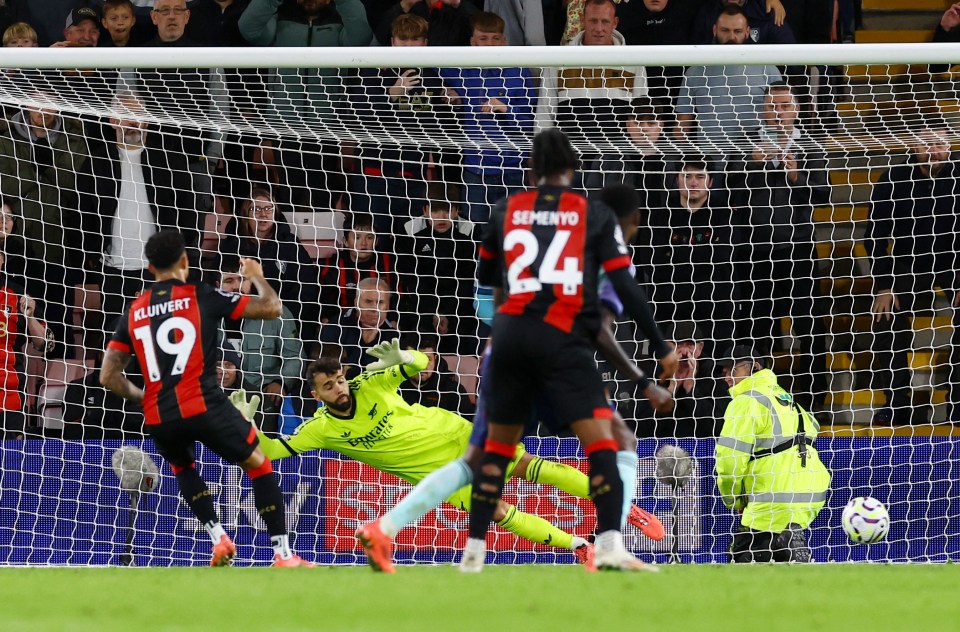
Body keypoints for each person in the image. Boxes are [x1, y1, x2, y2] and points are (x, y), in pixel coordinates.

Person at [455, 129, 678, 571]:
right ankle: (612, 544)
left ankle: (474, 552)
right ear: (572, 169)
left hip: (511, 336)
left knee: (497, 449)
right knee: (606, 441)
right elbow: (623, 284)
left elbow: (490, 284)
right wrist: (659, 344)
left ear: (532, 170)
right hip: (561, 337)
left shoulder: (502, 211)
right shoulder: (591, 213)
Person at [245, 350, 627, 567]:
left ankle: (621, 505)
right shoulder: (320, 428)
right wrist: (246, 427)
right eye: (328, 387)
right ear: (317, 395)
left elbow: (420, 365)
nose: (339, 388)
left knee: (528, 467)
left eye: (340, 379)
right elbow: (276, 450)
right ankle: (581, 546)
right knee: (493, 511)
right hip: (436, 471)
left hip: (454, 434)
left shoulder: (371, 382)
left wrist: (403, 356)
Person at [99, 230, 312, 567]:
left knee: (184, 467)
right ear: (185, 261)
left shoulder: (135, 310)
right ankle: (283, 555)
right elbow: (272, 308)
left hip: (159, 414)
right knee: (259, 464)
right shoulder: (200, 294)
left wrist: (145, 398)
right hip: (203, 402)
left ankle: (219, 540)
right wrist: (256, 276)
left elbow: (107, 376)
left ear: (150, 266)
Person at [727, 82, 830, 412]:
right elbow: (728, 196)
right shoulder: (744, 144)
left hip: (799, 251)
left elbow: (824, 197)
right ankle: (760, 406)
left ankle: (814, 405)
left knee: (809, 329)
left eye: (785, 104)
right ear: (763, 109)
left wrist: (797, 176)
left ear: (796, 109)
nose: (778, 110)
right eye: (772, 105)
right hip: (754, 252)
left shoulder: (810, 145)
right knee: (757, 332)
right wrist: (754, 165)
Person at [77, 93, 198, 330]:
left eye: (137, 116)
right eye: (125, 116)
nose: (132, 122)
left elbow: (188, 211)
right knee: (116, 340)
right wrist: (93, 255)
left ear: (148, 120)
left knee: (163, 339)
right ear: (112, 121)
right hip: (114, 270)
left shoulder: (170, 161)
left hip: (159, 269)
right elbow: (82, 213)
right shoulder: (96, 162)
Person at [866, 126, 960, 424]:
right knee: (884, 315)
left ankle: (956, 402)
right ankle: (898, 403)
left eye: (939, 143)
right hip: (907, 263)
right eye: (926, 144)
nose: (933, 149)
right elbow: (874, 238)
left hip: (953, 262)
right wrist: (884, 285)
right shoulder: (893, 179)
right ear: (913, 147)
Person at [715, 345, 830, 563]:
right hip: (808, 499)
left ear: (755, 367)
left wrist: (734, 499)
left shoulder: (747, 401)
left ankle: (784, 542)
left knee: (741, 572)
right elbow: (813, 429)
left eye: (733, 369)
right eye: (723, 370)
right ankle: (788, 539)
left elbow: (729, 460)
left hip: (770, 499)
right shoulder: (790, 401)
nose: (726, 376)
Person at [439, 12, 536, 224]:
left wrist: (505, 108)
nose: (489, 45)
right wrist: (445, 89)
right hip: (475, 171)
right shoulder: (461, 70)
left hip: (513, 172)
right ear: (473, 42)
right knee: (474, 237)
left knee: (513, 236)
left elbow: (530, 122)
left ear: (504, 41)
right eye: (483, 39)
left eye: (495, 38)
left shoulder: (518, 73)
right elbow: (429, 64)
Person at [635, 156, 740, 349]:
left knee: (715, 371)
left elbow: (723, 259)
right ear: (677, 180)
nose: (693, 182)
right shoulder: (659, 216)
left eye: (700, 176)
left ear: (710, 181)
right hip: (669, 307)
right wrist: (703, 255)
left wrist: (675, 255)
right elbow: (652, 262)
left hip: (715, 308)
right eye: (687, 176)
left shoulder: (726, 215)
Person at [536, 0, 648, 155]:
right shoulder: (559, 59)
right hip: (569, 158)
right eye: (593, 21)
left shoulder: (634, 62)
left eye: (605, 21)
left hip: (618, 159)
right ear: (582, 21)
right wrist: (540, 156)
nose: (599, 28)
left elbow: (641, 115)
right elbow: (545, 113)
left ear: (615, 23)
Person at [674, 5, 781, 155]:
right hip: (708, 166)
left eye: (737, 31)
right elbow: (681, 129)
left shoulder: (768, 69)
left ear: (747, 32)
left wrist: (772, 155)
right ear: (714, 30)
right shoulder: (695, 72)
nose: (731, 37)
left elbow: (781, 121)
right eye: (725, 30)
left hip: (753, 164)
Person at [217, 256, 303, 435]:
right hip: (216, 392)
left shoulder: (275, 312)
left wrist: (281, 383)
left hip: (263, 393)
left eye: (243, 280)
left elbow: (295, 356)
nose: (236, 286)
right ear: (218, 284)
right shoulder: (203, 315)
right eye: (229, 281)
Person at [221, 186, 318, 331]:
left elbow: (308, 283)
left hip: (285, 319)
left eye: (268, 209)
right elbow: (218, 284)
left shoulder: (289, 244)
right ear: (245, 214)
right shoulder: (231, 246)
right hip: (242, 319)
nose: (263, 214)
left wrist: (286, 314)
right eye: (256, 209)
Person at [395, 183, 478, 352]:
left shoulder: (467, 244)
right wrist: (434, 312)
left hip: (456, 311)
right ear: (425, 211)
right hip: (424, 310)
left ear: (456, 212)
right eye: (435, 211)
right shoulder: (413, 241)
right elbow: (414, 280)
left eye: (447, 210)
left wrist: (447, 314)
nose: (441, 216)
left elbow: (465, 283)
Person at [317, 277, 400, 374]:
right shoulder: (335, 327)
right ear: (356, 303)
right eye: (368, 301)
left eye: (380, 302)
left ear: (388, 305)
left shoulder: (393, 337)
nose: (374, 308)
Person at [397, 333, 475, 419]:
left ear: (435, 359)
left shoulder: (453, 391)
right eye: (416, 360)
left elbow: (469, 426)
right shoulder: (393, 387)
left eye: (428, 359)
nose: (422, 366)